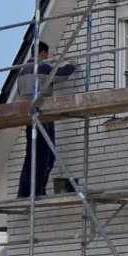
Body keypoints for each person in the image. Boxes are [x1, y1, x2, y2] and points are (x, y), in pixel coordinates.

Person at [16, 41, 77, 198]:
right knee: (45, 153)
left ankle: (24, 192)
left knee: (31, 154)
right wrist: (72, 65)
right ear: (42, 53)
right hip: (43, 114)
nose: (47, 57)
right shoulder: (41, 67)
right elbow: (59, 75)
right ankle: (37, 190)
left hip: (29, 116)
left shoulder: (21, 72)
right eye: (46, 54)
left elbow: (18, 93)